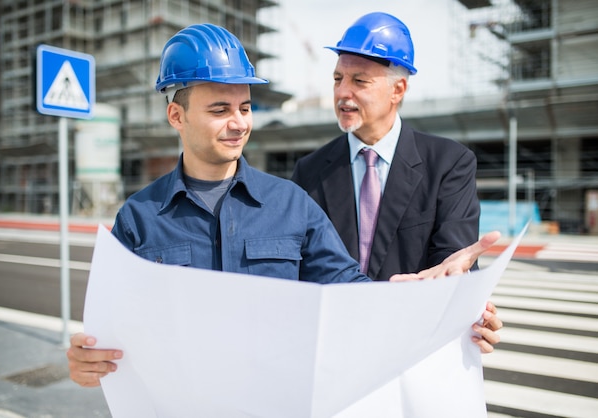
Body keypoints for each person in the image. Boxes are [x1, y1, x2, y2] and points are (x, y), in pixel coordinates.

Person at [67, 23, 500, 388]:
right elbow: (111, 333)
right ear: (176, 116)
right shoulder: (138, 220)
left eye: (245, 107)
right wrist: (87, 362)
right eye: (220, 109)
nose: (239, 123)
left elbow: (351, 291)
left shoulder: (292, 204)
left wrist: (428, 298)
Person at [291, 12, 501, 353]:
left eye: (359, 81)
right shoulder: (310, 171)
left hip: (414, 342)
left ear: (398, 89)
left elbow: (452, 260)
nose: (343, 92)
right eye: (337, 78)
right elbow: (302, 268)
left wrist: (467, 300)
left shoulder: (449, 164)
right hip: (334, 344)